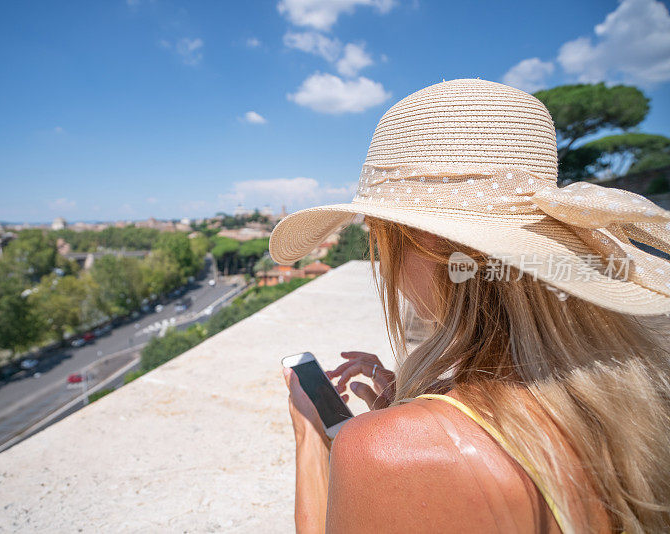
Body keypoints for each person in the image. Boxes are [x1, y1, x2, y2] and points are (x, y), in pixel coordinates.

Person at [268, 78, 670, 533]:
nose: (382, 263)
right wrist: (413, 409)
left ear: (426, 242)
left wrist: (313, 438)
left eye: (379, 239)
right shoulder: (632, 397)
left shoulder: (387, 451)